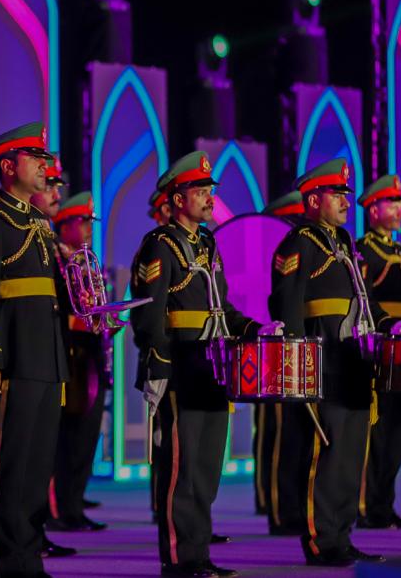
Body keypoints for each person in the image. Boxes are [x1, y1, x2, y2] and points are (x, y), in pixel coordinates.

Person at [131, 150, 258, 578]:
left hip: (213, 367)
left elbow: (222, 308)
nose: (209, 198)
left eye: (209, 190)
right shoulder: (159, 245)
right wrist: (157, 367)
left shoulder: (208, 243)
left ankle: (198, 553)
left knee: (206, 468)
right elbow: (148, 316)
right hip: (181, 366)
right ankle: (179, 558)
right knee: (181, 470)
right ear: (177, 198)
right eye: (200, 190)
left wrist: (255, 329)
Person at [272, 159, 401, 567]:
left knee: (350, 457)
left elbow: (364, 299)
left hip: (353, 363)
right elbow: (286, 306)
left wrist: (392, 324)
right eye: (338, 195)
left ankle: (342, 535)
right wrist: (298, 367)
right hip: (324, 364)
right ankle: (321, 540)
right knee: (325, 455)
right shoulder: (299, 242)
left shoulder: (343, 241)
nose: (347, 202)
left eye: (347, 194)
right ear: (314, 200)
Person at [0, 122, 70, 578]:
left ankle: (28, 557)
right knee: (10, 463)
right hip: (14, 359)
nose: (45, 167)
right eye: (36, 159)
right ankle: (5, 562)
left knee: (37, 466)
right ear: (8, 166)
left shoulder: (38, 223)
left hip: (46, 358)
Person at [354, 175, 401, 530]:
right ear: (373, 209)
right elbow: (365, 303)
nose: (399, 210)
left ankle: (384, 504)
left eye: (400, 203)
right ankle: (365, 505)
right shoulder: (364, 250)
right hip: (379, 344)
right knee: (374, 431)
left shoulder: (399, 252)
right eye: (392, 203)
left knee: (396, 429)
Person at [47, 192, 109, 532]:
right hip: (69, 354)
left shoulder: (84, 260)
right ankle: (60, 509)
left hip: (90, 357)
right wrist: (84, 321)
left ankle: (74, 502)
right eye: (82, 222)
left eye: (89, 222)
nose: (88, 229)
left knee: (85, 437)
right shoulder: (57, 258)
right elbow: (57, 311)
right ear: (65, 224)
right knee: (66, 439)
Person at [253, 190, 305, 527]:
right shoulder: (276, 250)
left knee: (295, 431)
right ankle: (274, 503)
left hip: (295, 346)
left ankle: (290, 502)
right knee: (277, 430)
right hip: (270, 347)